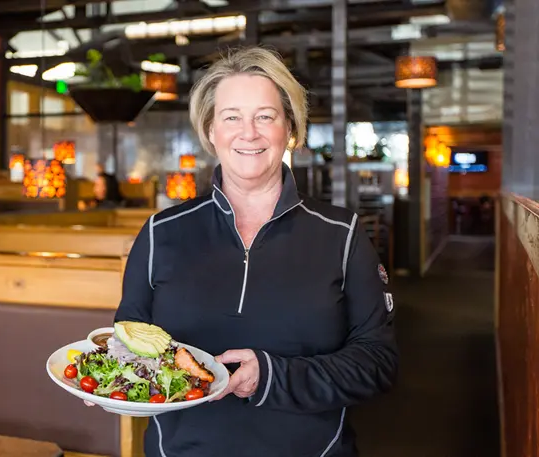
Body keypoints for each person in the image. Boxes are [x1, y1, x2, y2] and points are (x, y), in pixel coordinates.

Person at [113, 47, 398, 456]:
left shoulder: (343, 235)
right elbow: (130, 341)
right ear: (211, 131)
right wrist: (110, 377)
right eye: (231, 117)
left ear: (291, 130)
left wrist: (271, 376)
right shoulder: (160, 232)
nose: (249, 132)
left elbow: (377, 362)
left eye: (265, 116)